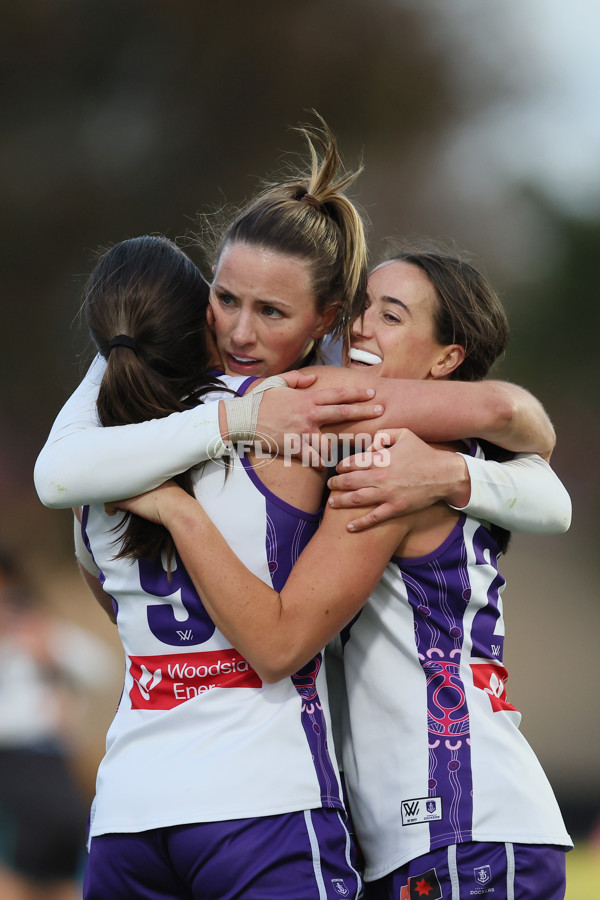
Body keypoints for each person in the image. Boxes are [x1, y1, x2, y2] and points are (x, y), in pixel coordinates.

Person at [114, 249, 572, 900]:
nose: (360, 328)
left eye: (390, 315)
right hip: (428, 835)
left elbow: (277, 643)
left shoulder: (391, 465)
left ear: (447, 359)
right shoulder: (389, 449)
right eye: (359, 310)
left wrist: (172, 508)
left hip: (457, 823)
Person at [0, 548, 115, 900]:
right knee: (21, 862)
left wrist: (49, 649)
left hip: (52, 759)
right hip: (12, 762)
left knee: (62, 859)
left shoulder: (41, 633)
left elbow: (103, 669)